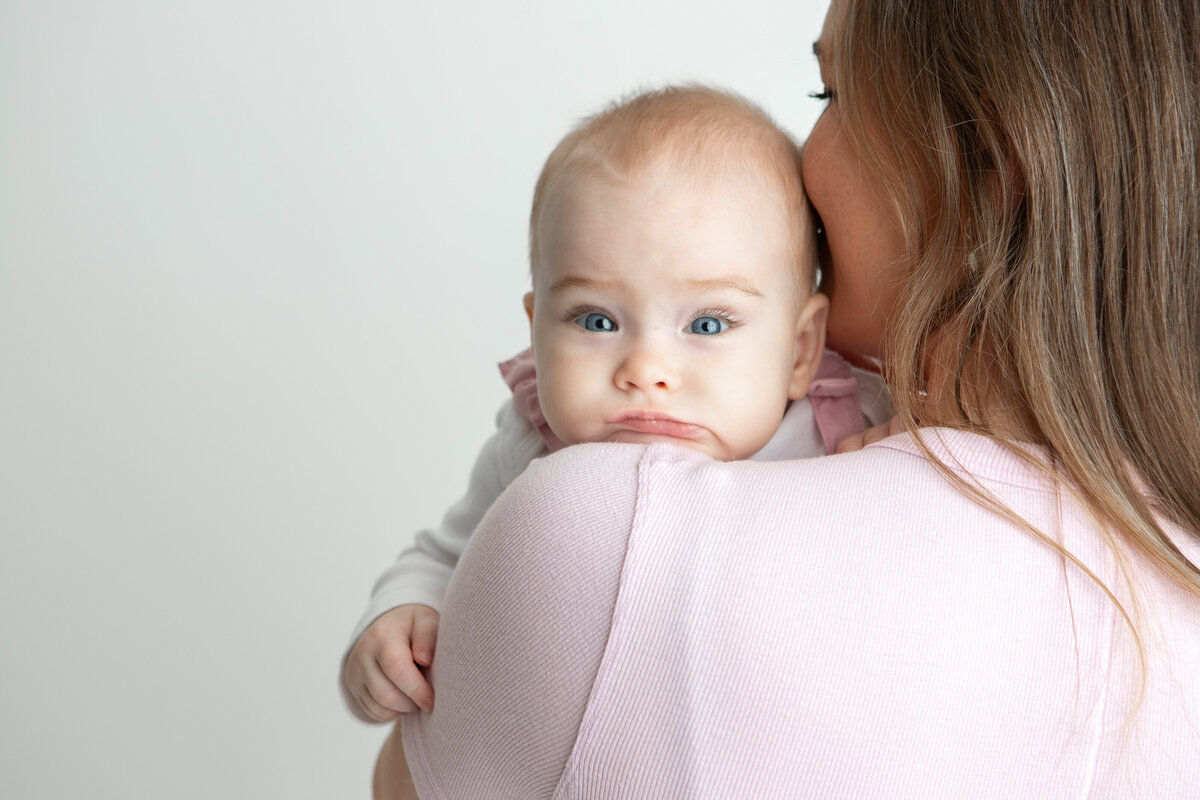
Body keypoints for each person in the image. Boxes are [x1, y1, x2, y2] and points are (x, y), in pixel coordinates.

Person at [374, 0, 1200, 795]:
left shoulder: (617, 533)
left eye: (831, 94)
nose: (806, 154)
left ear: (986, 158)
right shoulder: (1173, 569)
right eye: (596, 318)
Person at [340, 86, 893, 722]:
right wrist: (398, 618)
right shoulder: (533, 441)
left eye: (708, 325)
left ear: (799, 351)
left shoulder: (845, 435)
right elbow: (442, 558)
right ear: (536, 330)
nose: (646, 370)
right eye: (596, 320)